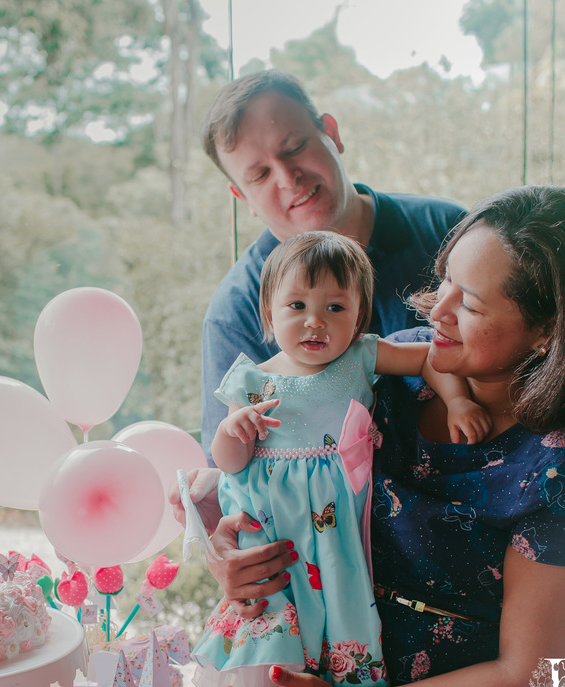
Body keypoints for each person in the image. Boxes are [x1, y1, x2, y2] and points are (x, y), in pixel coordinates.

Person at [175, 185, 565, 687]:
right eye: (446, 281)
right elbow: (268, 480)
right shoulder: (389, 371)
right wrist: (237, 556)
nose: (438, 312)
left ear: (548, 330)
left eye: (473, 304)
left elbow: (533, 677)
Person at [190, 230, 490, 687]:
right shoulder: (253, 382)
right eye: (297, 306)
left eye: (335, 307)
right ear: (269, 312)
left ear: (358, 317)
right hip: (274, 531)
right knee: (273, 619)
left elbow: (430, 357)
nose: (315, 322)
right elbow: (228, 465)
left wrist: (455, 398)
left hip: (332, 534)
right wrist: (235, 430)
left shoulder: (360, 357)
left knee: (332, 618)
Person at [200, 69, 466, 463]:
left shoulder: (450, 232)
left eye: (294, 147)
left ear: (332, 134)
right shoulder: (235, 312)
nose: (288, 178)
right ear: (243, 198)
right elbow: (229, 468)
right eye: (259, 174)